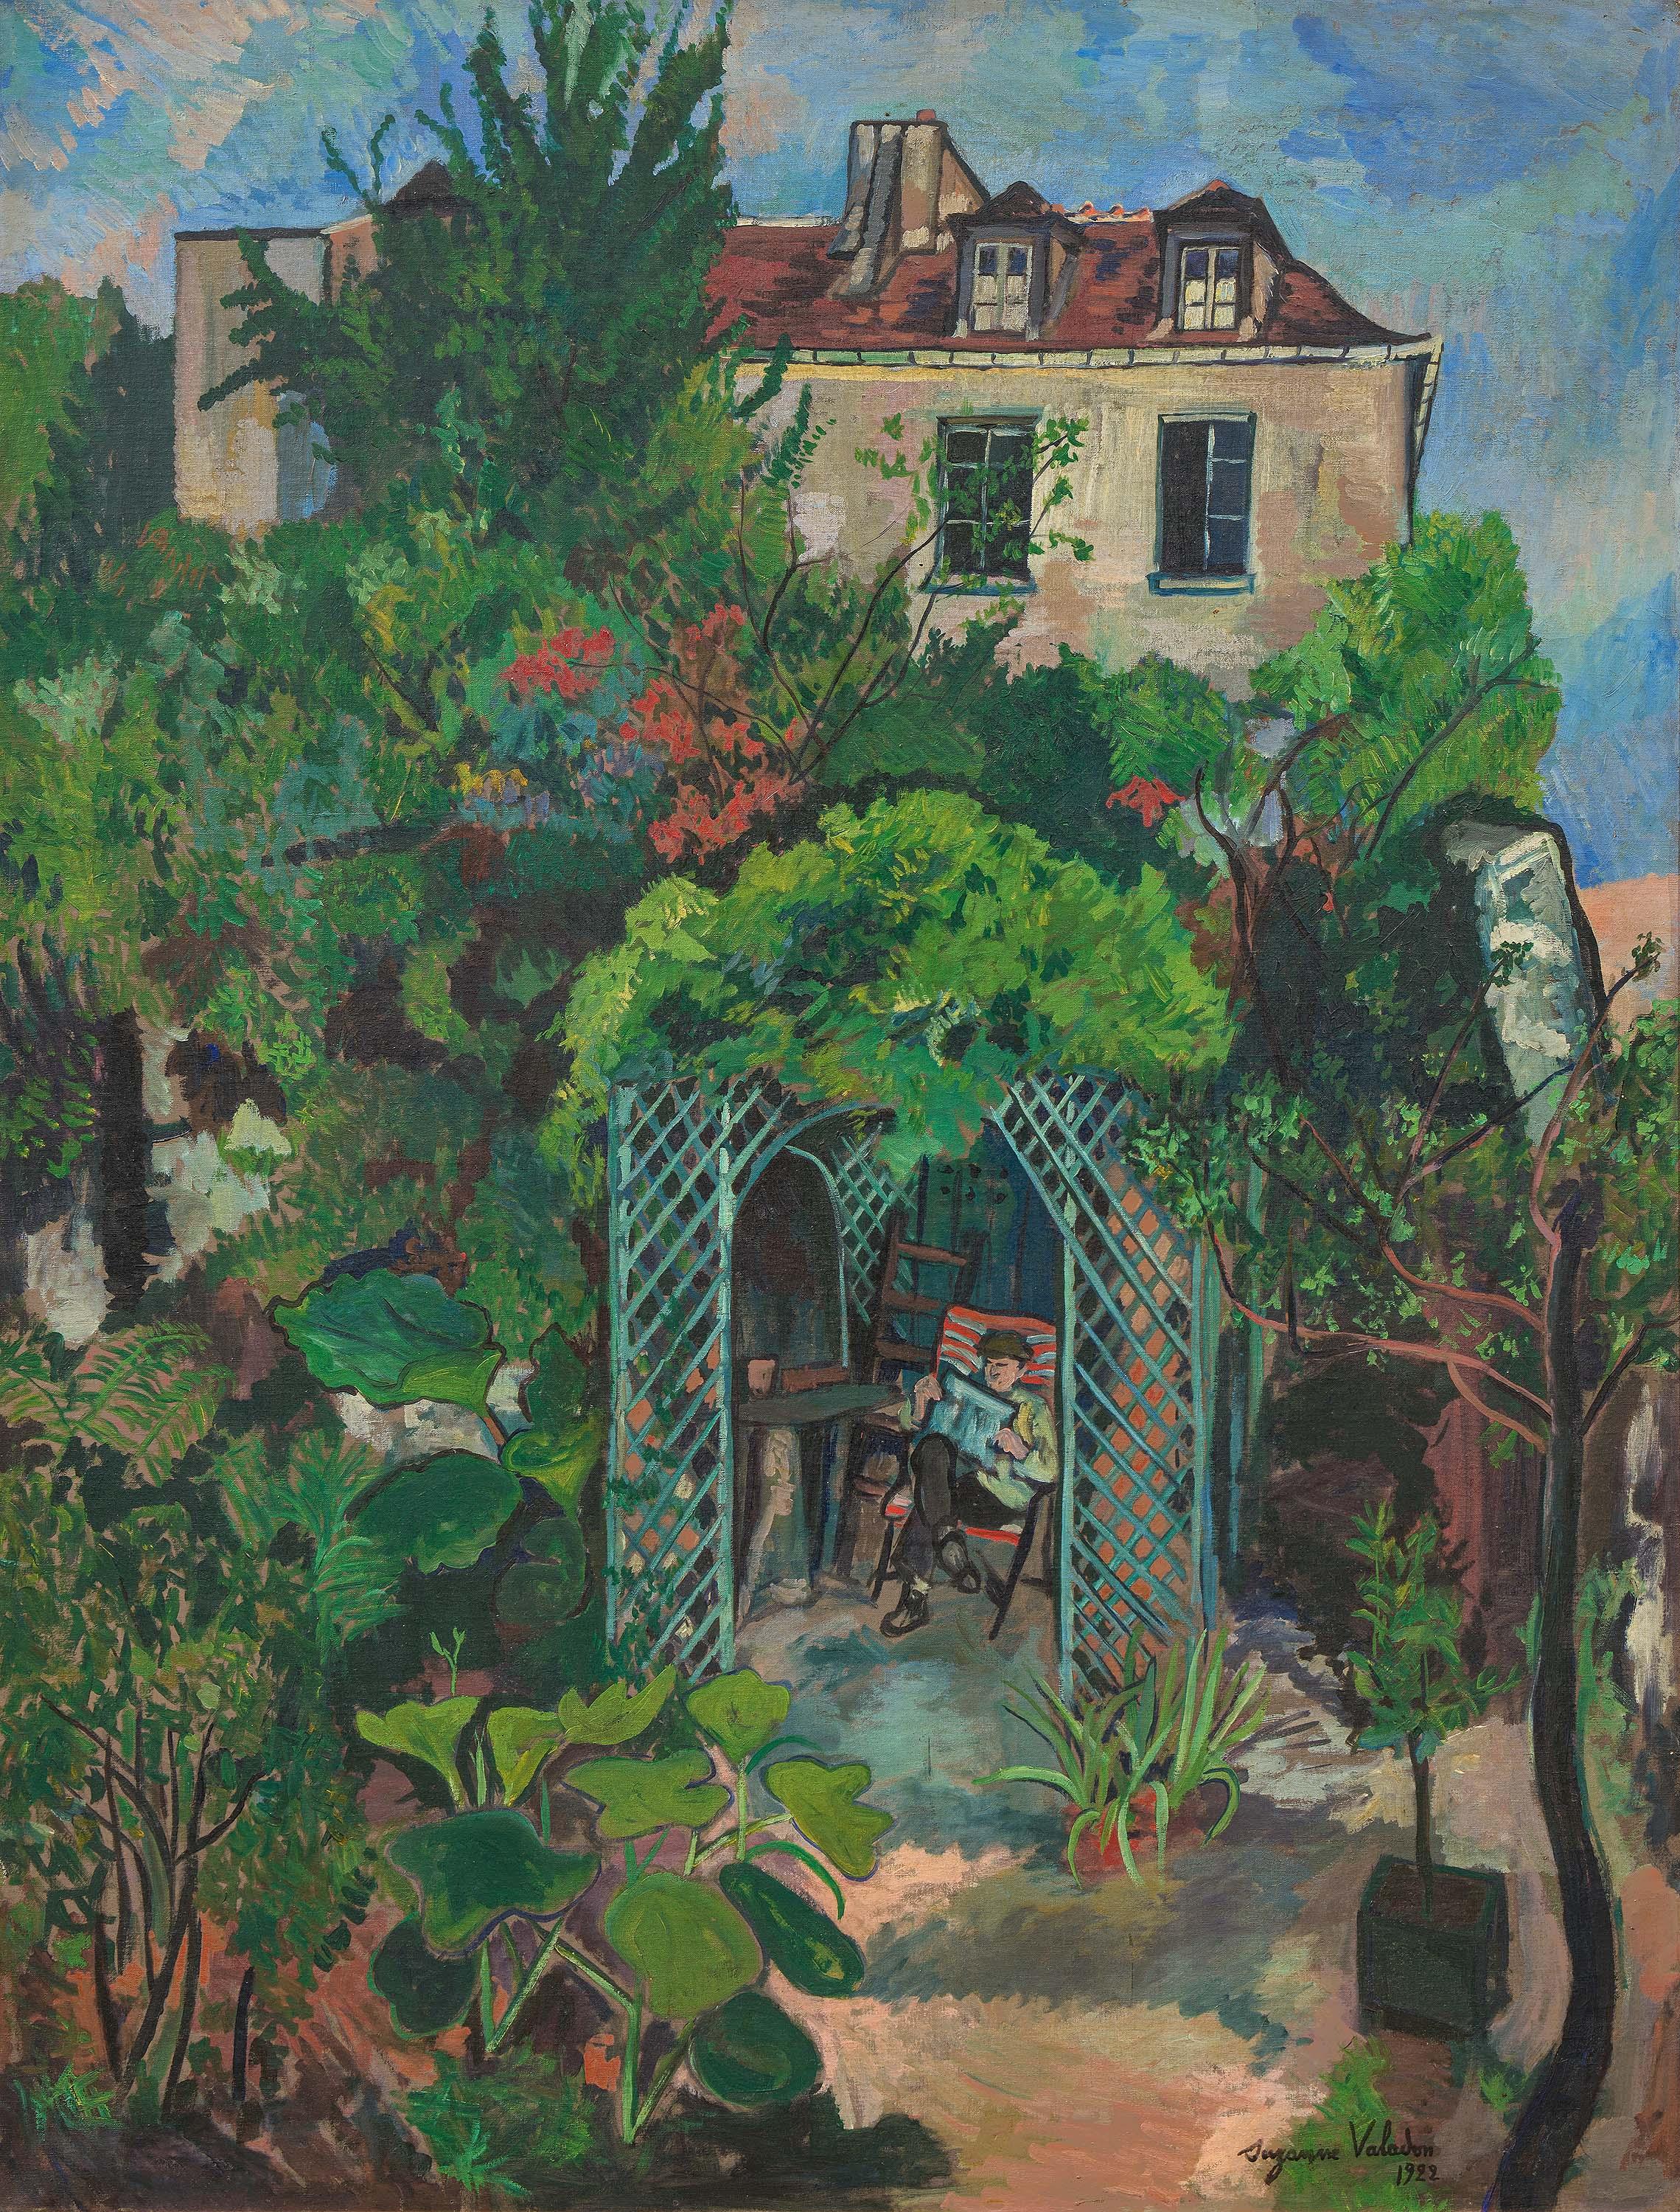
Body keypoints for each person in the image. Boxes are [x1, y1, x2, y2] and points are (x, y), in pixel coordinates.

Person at [880, 1326, 1059, 1638]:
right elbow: (909, 1424)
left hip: (999, 1497)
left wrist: (1020, 1451)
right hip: (957, 1485)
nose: (993, 1371)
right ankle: (948, 1540)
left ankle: (917, 1596)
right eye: (989, 1363)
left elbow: (1052, 1471)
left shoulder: (1034, 1408)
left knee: (927, 1503)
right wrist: (919, 1402)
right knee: (933, 1448)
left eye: (1001, 1365)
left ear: (1021, 1370)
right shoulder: (962, 1388)